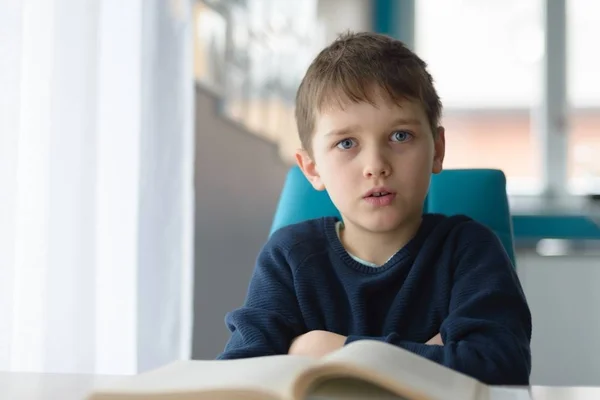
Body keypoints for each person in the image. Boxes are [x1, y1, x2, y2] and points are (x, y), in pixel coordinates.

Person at [216, 31, 532, 386]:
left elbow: (501, 366)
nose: (376, 165)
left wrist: (331, 350)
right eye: (346, 143)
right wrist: (428, 357)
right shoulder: (288, 256)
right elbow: (239, 378)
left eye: (400, 136)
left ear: (437, 149)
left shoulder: (470, 249)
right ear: (313, 168)